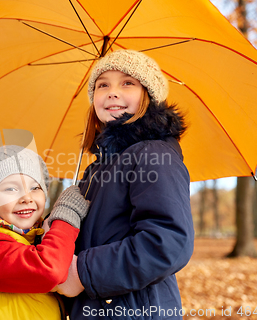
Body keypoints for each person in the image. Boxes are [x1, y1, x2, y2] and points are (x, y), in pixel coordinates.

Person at [55, 50, 195, 320]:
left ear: (148, 95)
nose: (112, 92)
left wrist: (83, 273)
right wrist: (57, 225)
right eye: (102, 84)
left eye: (127, 83)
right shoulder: (98, 167)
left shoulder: (153, 154)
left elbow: (166, 242)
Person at [0, 145, 89, 320]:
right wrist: (65, 217)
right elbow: (49, 270)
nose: (26, 197)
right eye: (11, 189)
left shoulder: (36, 239)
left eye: (35, 188)